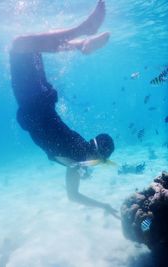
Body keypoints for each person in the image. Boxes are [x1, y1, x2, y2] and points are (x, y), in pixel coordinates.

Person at [10, 0, 118, 218]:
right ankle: (82, 33)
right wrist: (102, 204)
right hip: (34, 103)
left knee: (29, 45)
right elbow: (74, 195)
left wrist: (104, 205)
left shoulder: (77, 158)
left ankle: (80, 43)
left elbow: (73, 195)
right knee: (21, 45)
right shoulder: (76, 159)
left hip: (40, 101)